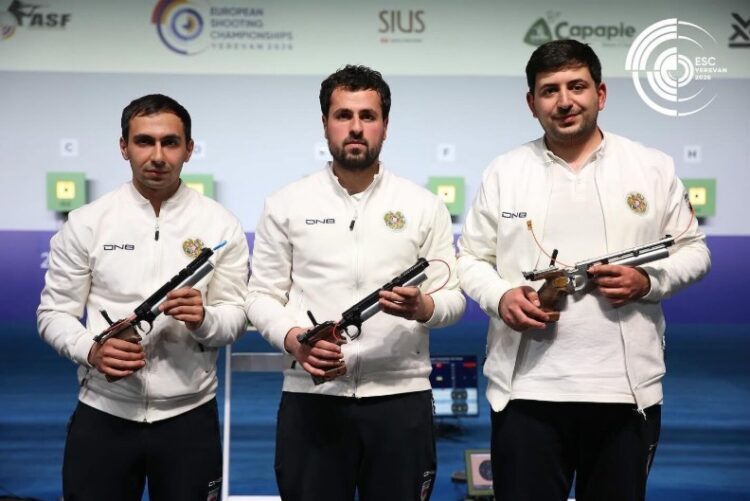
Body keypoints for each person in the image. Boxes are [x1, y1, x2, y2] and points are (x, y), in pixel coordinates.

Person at [457, 40, 711, 501]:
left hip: (625, 394)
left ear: (601, 93)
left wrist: (648, 283)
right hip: (525, 394)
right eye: (549, 90)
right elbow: (470, 258)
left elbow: (694, 252)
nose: (564, 101)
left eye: (577, 86)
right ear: (532, 103)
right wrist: (500, 296)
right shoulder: (505, 171)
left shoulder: (651, 167)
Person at [246, 65, 466, 501]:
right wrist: (295, 339)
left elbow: (453, 299)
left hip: (401, 400)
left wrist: (424, 307)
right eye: (343, 115)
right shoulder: (286, 204)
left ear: (385, 125)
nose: (356, 127)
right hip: (312, 397)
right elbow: (260, 297)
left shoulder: (423, 206)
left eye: (368, 116)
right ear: (325, 123)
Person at [37, 94, 250, 501]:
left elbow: (236, 316)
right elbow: (53, 313)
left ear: (189, 148)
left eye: (170, 142)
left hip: (190, 418)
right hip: (103, 412)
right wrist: (90, 350)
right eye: (144, 141)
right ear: (124, 147)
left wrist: (205, 319)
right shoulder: (87, 223)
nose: (157, 156)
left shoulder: (220, 225)